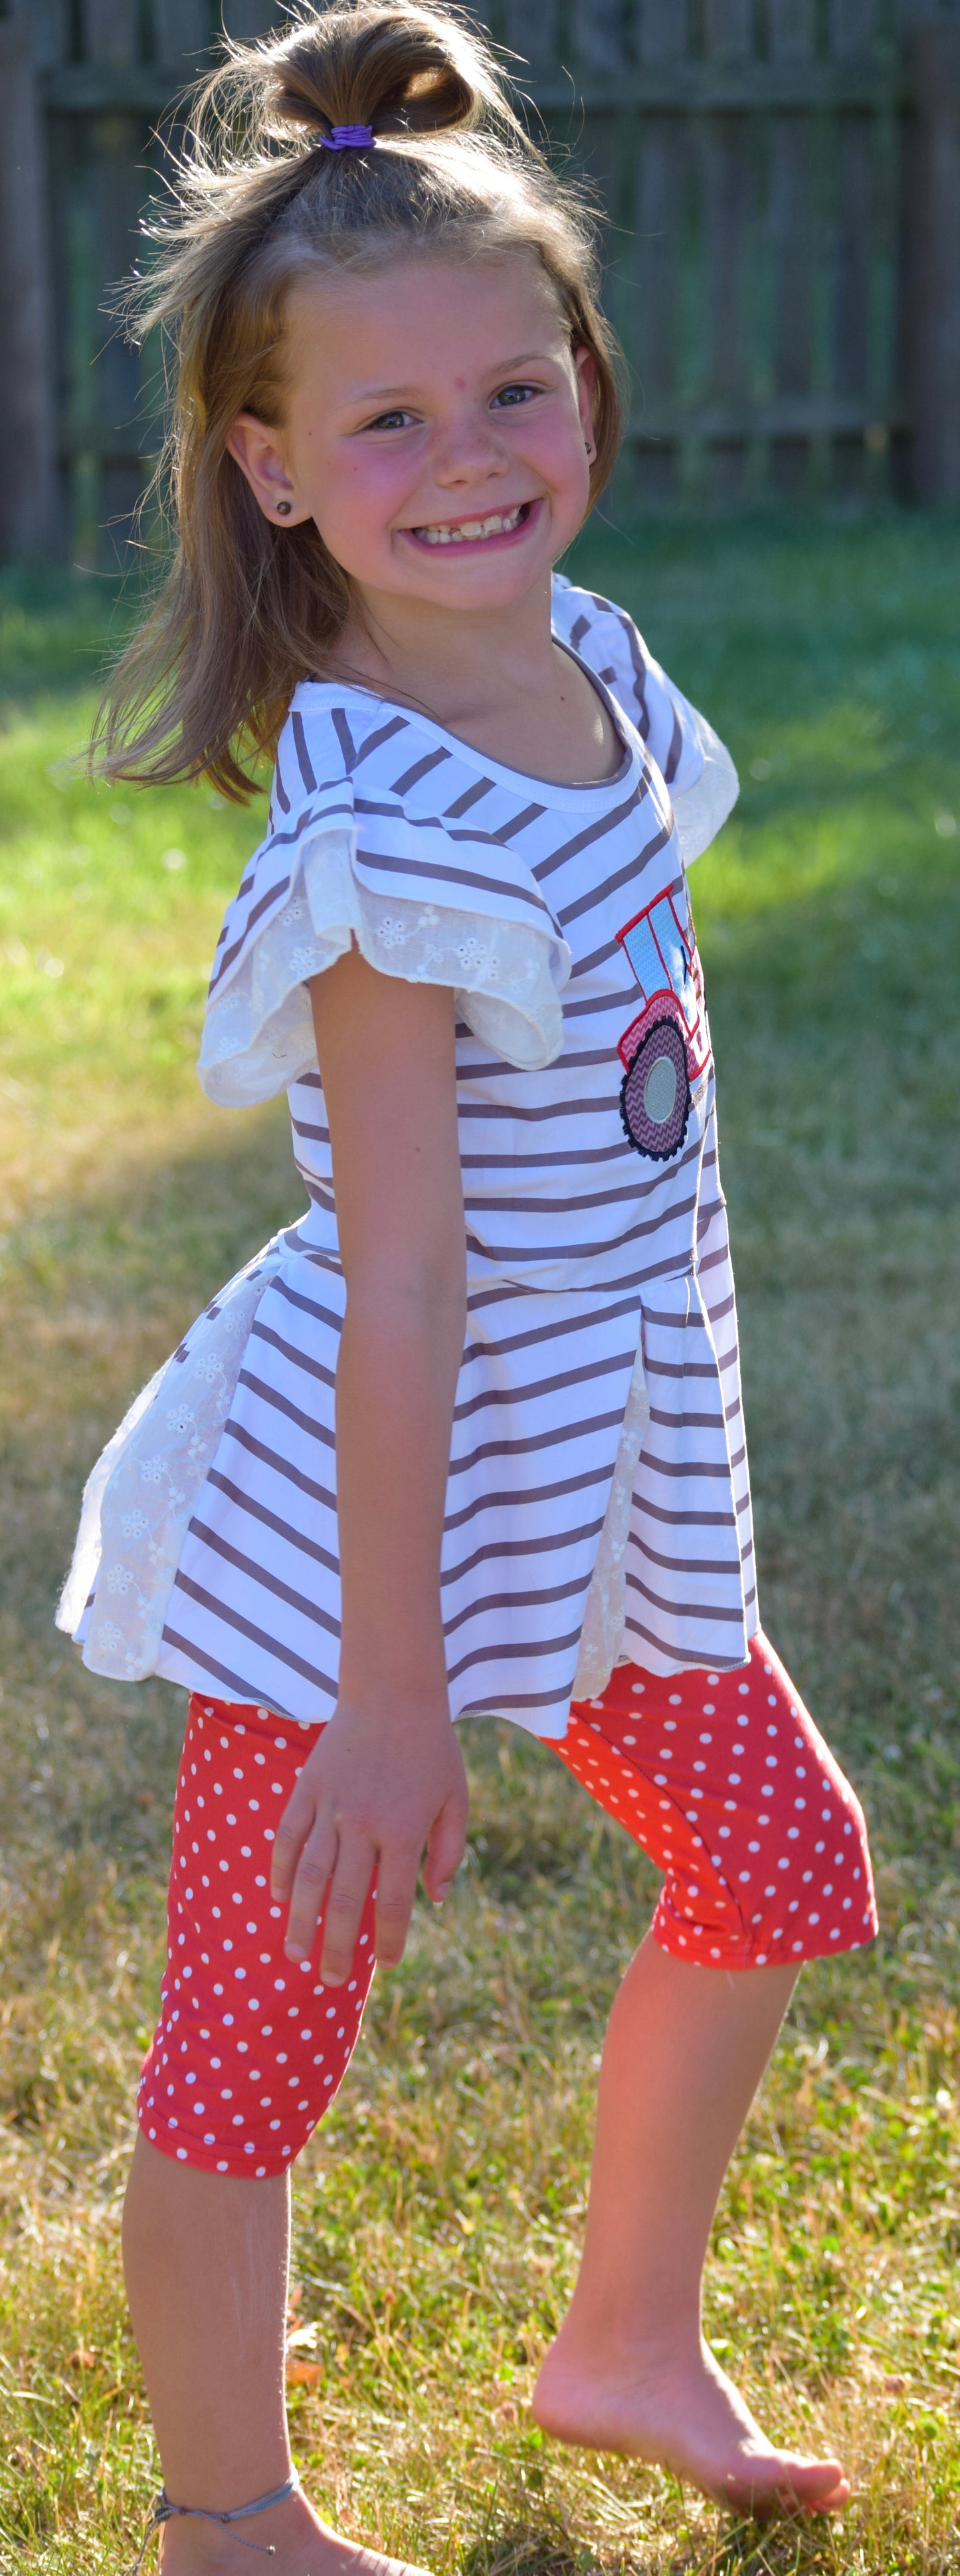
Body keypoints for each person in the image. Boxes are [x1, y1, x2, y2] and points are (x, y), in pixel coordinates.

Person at [58, 3, 878, 2558]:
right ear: (273, 470)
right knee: (255, 2045)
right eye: (384, 426)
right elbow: (402, 1288)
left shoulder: (595, 667)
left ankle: (624, 2340)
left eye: (510, 391)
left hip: (606, 1487)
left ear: (590, 392)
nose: (466, 461)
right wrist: (385, 1712)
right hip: (362, 1549)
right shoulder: (378, 831)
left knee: (779, 1866)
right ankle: (228, 2523)